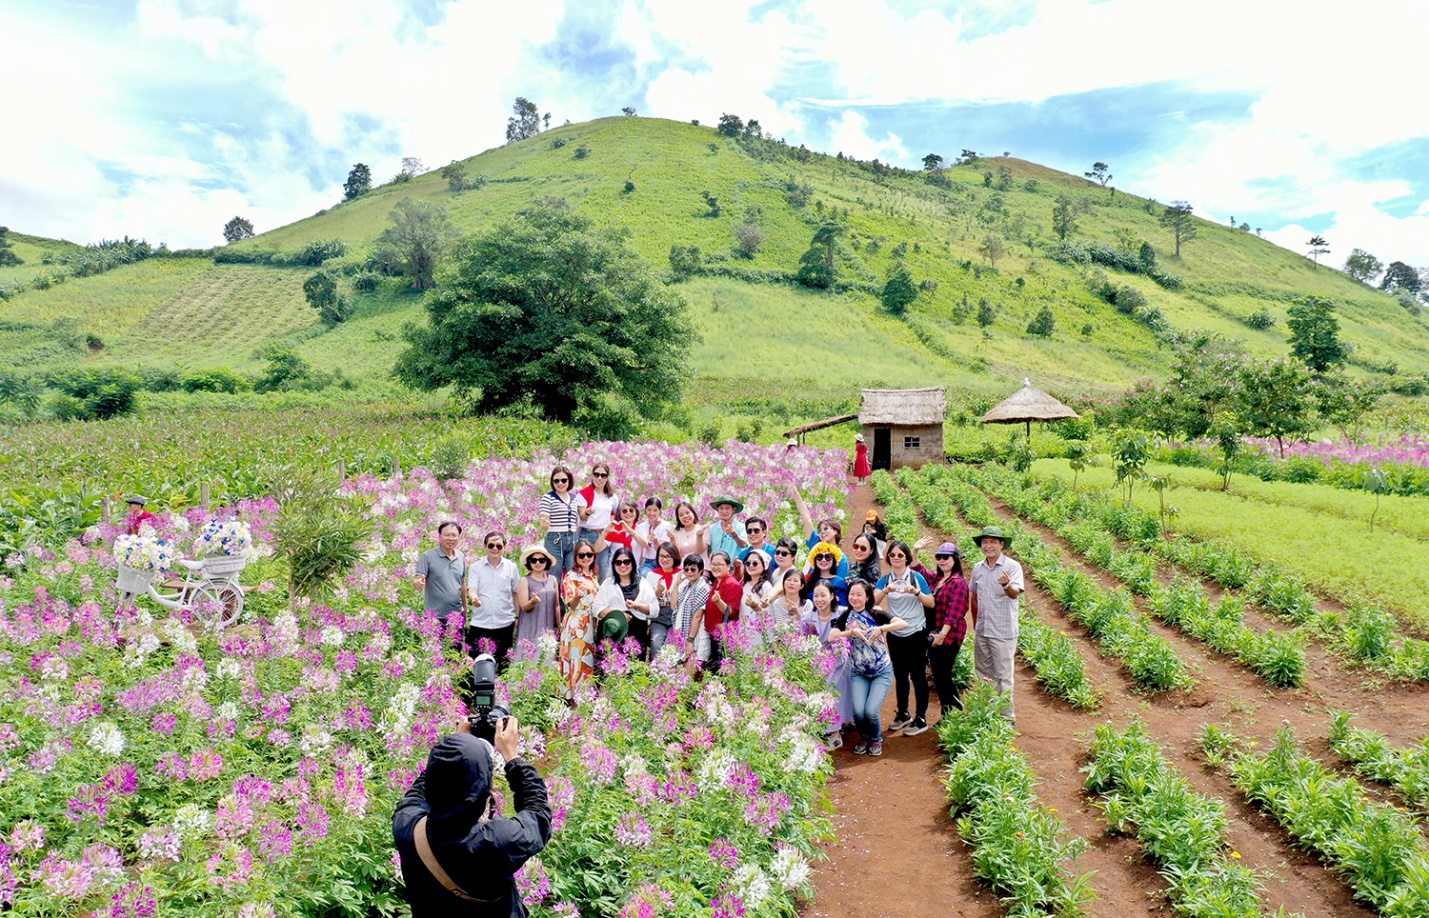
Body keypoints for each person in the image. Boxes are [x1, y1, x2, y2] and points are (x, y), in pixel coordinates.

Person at [392, 716, 551, 918]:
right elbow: (538, 813)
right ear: (482, 788)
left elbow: (421, 789)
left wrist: (453, 749)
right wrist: (512, 757)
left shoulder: (406, 825)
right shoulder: (496, 843)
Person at [833, 579, 906, 756]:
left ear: (867, 597)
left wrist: (882, 629)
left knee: (871, 711)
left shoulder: (875, 613)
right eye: (852, 594)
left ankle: (875, 738)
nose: (855, 598)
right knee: (858, 712)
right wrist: (851, 632)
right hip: (858, 672)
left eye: (859, 594)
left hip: (881, 670)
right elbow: (832, 635)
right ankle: (864, 737)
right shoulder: (846, 616)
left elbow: (902, 623)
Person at [875, 540, 934, 737]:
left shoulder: (916, 578)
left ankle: (921, 718)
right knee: (900, 675)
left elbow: (930, 602)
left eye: (900, 555)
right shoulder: (885, 580)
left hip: (916, 632)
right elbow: (872, 601)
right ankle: (903, 713)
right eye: (892, 555)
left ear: (907, 558)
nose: (896, 558)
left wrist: (916, 592)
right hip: (895, 634)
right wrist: (886, 590)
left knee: (918, 675)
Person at [969, 526, 1024, 722]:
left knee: (1003, 676)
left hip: (1003, 631)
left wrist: (1006, 585)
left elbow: (1014, 593)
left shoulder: (1012, 567)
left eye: (993, 542)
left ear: (1001, 544)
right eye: (985, 542)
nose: (988, 546)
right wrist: (976, 623)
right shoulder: (978, 568)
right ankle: (988, 713)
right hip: (983, 630)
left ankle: (1006, 718)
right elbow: (974, 597)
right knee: (984, 674)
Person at [802, 579, 852, 749]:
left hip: (839, 660)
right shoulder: (807, 617)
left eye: (823, 595)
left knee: (832, 692)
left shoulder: (843, 613)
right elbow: (803, 641)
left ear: (832, 596)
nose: (819, 599)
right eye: (816, 596)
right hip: (816, 662)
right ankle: (823, 729)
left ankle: (834, 732)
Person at [925, 542, 970, 717]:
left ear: (955, 559)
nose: (942, 560)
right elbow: (919, 570)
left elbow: (954, 611)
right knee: (939, 675)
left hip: (949, 636)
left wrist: (942, 634)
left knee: (943, 675)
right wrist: (915, 550)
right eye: (939, 557)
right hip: (936, 633)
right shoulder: (939, 579)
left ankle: (954, 713)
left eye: (946, 557)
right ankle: (949, 714)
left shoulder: (958, 583)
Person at [467, 532, 521, 665]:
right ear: (485, 546)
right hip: (480, 623)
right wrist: (474, 598)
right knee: (476, 663)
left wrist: (518, 617)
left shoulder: (511, 567)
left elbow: (516, 593)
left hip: (505, 623)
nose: (495, 549)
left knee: (503, 664)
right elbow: (472, 589)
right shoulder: (476, 568)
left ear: (504, 547)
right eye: (491, 545)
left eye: (499, 546)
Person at [594, 546, 656, 660]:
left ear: (633, 563)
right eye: (618, 562)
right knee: (611, 666)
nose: (622, 566)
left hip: (636, 634)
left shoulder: (643, 584)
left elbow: (654, 609)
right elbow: (596, 608)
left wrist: (637, 606)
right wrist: (617, 614)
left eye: (626, 562)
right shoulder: (608, 583)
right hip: (613, 633)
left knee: (634, 667)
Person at [558, 544, 601, 698]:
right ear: (576, 557)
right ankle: (576, 699)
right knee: (578, 660)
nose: (586, 558)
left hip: (590, 621)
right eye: (581, 555)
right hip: (577, 623)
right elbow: (571, 604)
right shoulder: (572, 576)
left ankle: (585, 697)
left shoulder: (594, 576)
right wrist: (576, 596)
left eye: (589, 554)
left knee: (587, 660)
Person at [415, 521, 469, 629]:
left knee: (455, 641)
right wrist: (417, 582)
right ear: (439, 536)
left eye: (454, 535)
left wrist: (465, 609)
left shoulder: (461, 556)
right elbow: (419, 578)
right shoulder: (428, 556)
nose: (450, 538)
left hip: (456, 616)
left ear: (458, 537)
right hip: (434, 617)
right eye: (447, 535)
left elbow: (462, 584)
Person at [788, 483, 849, 577]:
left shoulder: (842, 559)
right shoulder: (816, 543)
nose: (822, 532)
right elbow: (807, 519)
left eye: (826, 528)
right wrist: (795, 493)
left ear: (836, 531)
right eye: (819, 531)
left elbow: (840, 583)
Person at [700, 551, 743, 675]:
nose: (716, 567)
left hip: (724, 637)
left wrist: (718, 602)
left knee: (721, 672)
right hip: (713, 633)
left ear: (728, 566)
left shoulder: (732, 584)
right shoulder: (717, 582)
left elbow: (732, 612)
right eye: (713, 564)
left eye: (720, 564)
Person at [575, 463, 617, 581]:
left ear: (607, 478)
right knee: (584, 569)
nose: (599, 478)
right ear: (592, 476)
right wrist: (588, 512)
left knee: (601, 571)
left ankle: (599, 593)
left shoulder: (612, 497)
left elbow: (615, 516)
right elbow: (582, 516)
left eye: (603, 475)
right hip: (586, 534)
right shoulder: (584, 494)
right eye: (596, 474)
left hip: (604, 536)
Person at [514, 545, 560, 650]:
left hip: (549, 628)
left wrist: (559, 625)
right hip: (531, 627)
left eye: (542, 560)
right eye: (534, 560)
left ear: (547, 562)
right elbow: (524, 607)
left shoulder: (553, 580)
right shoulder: (524, 580)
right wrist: (533, 602)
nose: (538, 563)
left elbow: (557, 605)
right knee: (530, 655)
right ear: (529, 563)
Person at [538, 466, 580, 580]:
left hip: (572, 539)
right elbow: (544, 522)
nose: (560, 483)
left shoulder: (574, 498)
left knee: (573, 575)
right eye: (556, 481)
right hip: (555, 539)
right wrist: (545, 523)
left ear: (569, 481)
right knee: (554, 575)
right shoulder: (548, 498)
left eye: (563, 480)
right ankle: (554, 593)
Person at [674, 554, 712, 676]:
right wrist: (676, 584)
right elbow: (673, 606)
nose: (689, 572)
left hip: (696, 636)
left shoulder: (702, 588)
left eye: (693, 569)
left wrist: (690, 640)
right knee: (680, 674)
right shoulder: (685, 586)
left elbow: (697, 617)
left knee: (690, 676)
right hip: (683, 634)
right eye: (686, 569)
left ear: (701, 571)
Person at [644, 542, 682, 658]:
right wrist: (657, 592)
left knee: (670, 645)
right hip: (659, 617)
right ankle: (654, 667)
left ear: (675, 557)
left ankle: (668, 668)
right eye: (661, 556)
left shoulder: (681, 574)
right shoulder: (651, 575)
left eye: (668, 556)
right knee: (656, 643)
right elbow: (647, 601)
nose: (664, 559)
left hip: (676, 616)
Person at [633, 498, 674, 575]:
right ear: (645, 510)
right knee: (644, 575)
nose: (651, 513)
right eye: (649, 510)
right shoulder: (642, 526)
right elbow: (643, 544)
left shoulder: (666, 526)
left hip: (662, 562)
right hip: (648, 562)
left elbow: (662, 550)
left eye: (655, 510)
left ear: (660, 511)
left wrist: (655, 541)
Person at [801, 542, 849, 608]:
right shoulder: (808, 580)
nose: (823, 560)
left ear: (834, 560)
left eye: (828, 557)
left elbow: (843, 607)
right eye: (819, 557)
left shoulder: (840, 582)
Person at [739, 549, 775, 619]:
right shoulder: (745, 584)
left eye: (755, 563)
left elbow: (768, 616)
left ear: (764, 565)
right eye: (748, 563)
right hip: (743, 625)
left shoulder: (766, 587)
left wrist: (755, 606)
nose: (751, 566)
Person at [670, 501, 706, 567]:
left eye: (687, 513)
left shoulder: (702, 529)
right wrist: (672, 539)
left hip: (699, 567)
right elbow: (677, 553)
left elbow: (699, 551)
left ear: (693, 513)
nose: (685, 516)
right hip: (683, 567)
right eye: (681, 515)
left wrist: (699, 536)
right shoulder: (676, 532)